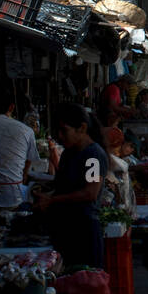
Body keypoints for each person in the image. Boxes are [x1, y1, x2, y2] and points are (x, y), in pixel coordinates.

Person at [33, 104, 108, 269]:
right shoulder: (69, 153)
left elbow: (90, 192)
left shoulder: (93, 155)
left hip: (85, 232)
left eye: (64, 130)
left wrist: (52, 200)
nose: (60, 136)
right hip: (66, 230)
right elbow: (66, 186)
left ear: (82, 128)